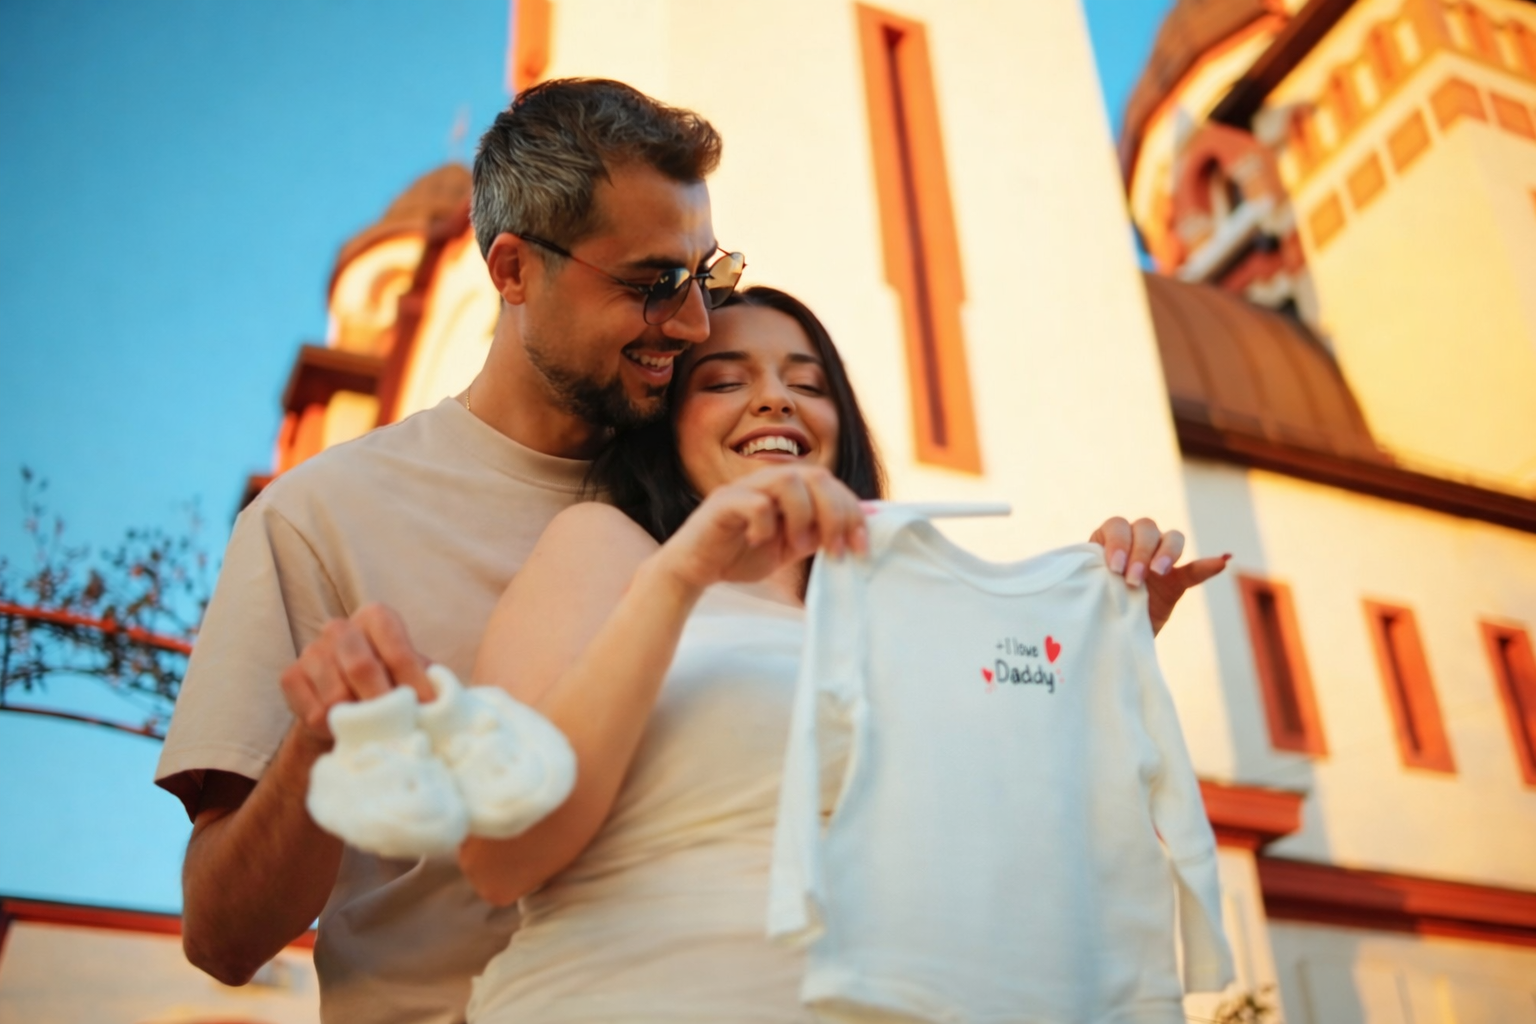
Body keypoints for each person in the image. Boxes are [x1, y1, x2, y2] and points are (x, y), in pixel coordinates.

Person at [156, 78, 1212, 1024]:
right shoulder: (322, 514)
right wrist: (322, 743)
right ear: (514, 270)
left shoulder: (731, 501)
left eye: (708, 274)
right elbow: (222, 937)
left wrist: (1084, 639)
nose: (697, 321)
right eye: (653, 282)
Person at [453, 286, 1229, 1022]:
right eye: (724, 381)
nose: (775, 399)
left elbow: (1018, 849)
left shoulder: (908, 618)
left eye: (807, 384)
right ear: (668, 426)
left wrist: (1103, 648)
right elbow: (497, 858)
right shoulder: (608, 548)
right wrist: (683, 575)